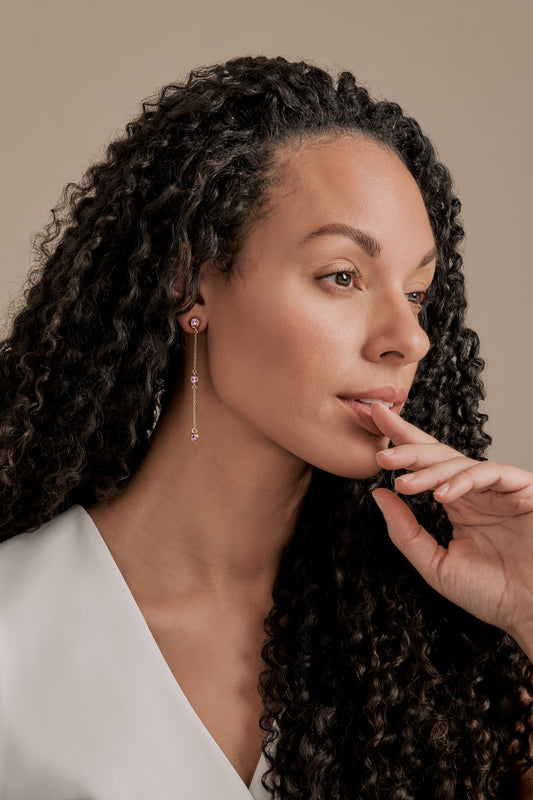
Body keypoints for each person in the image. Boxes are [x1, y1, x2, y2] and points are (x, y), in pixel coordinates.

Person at [0, 55, 532, 800]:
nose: (407, 338)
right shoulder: (14, 629)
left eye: (416, 294)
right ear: (190, 281)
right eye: (341, 275)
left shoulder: (430, 648)